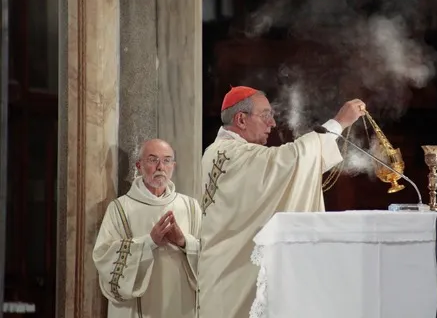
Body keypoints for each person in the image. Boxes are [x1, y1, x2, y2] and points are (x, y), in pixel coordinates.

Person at [198, 86, 366, 318]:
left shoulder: (214, 152)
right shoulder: (235, 155)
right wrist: (339, 122)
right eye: (265, 115)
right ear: (241, 119)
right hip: (233, 278)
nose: (272, 123)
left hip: (220, 273)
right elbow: (291, 159)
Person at [93, 139, 202, 318]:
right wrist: (148, 242)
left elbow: (210, 255)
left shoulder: (190, 206)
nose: (161, 166)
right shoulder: (120, 208)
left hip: (182, 305)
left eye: (167, 160)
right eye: (153, 160)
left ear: (173, 166)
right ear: (139, 165)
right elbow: (104, 256)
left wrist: (183, 242)